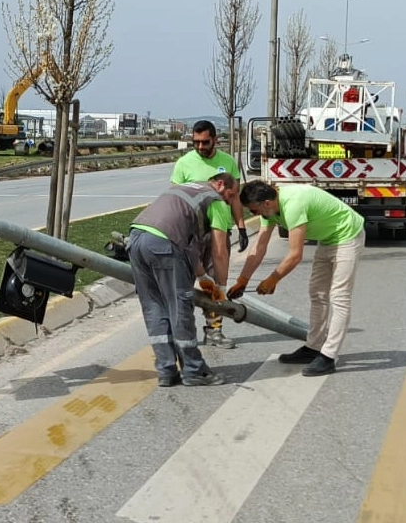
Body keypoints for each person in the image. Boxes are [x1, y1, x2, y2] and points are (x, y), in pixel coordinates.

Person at [230, 181, 365, 377]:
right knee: (317, 294)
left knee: (339, 297)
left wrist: (272, 279)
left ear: (266, 203)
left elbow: (295, 255)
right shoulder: (270, 209)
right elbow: (260, 246)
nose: (256, 215)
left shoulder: (293, 205)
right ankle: (314, 347)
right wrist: (243, 280)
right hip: (328, 239)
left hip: (348, 236)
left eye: (255, 210)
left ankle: (328, 356)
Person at [127, 172, 240, 387]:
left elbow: (189, 246)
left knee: (154, 307)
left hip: (136, 239)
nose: (230, 200)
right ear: (219, 184)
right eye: (231, 195)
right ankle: (193, 370)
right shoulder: (216, 201)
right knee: (180, 307)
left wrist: (203, 277)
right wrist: (221, 288)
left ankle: (167, 371)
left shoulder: (188, 189)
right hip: (164, 244)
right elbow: (219, 251)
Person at [171, 119, 248, 349]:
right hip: (190, 232)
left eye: (205, 142)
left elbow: (234, 197)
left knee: (216, 280)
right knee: (185, 282)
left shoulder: (227, 162)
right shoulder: (184, 164)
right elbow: (175, 198)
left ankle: (214, 330)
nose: (200, 147)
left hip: (218, 230)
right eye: (196, 142)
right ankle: (184, 334)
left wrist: (241, 226)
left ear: (216, 139)